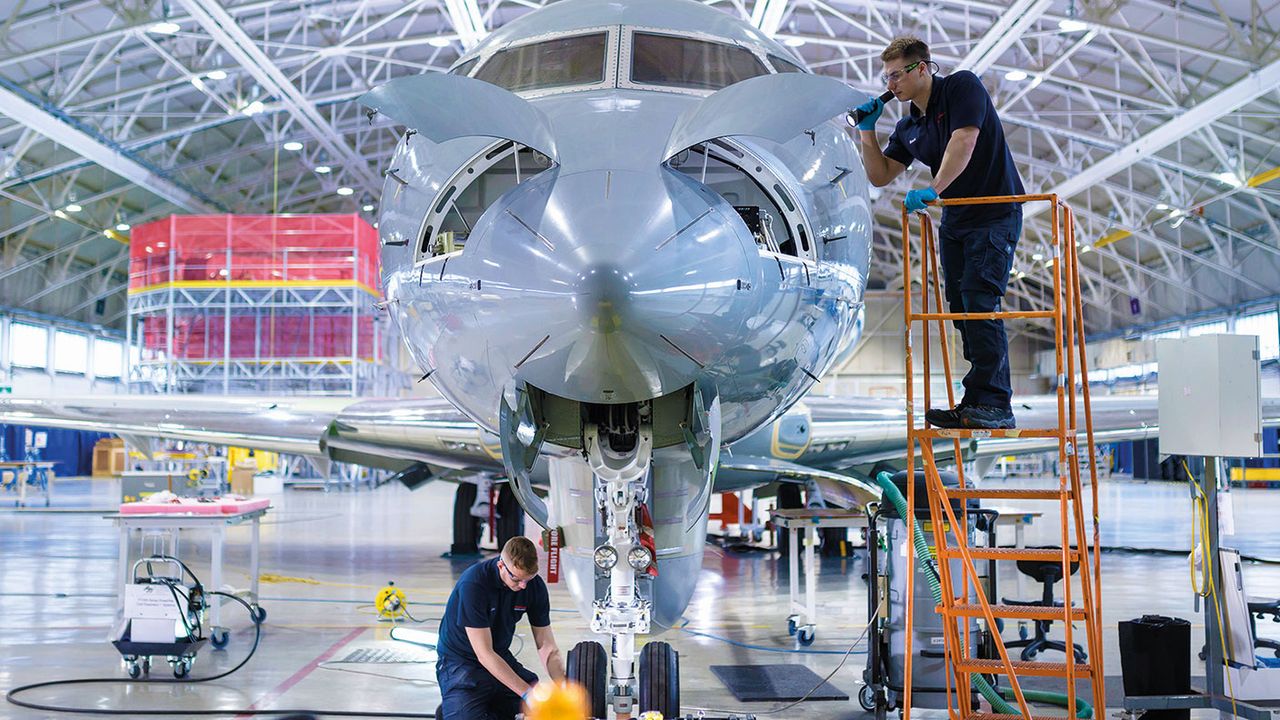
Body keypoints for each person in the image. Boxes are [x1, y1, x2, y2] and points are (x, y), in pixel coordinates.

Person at [851, 36, 1026, 429]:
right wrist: (867, 131)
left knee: (981, 301)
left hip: (994, 212)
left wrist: (934, 189)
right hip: (958, 221)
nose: (890, 83)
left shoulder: (963, 87)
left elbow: (965, 140)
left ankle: (997, 403)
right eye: (886, 76)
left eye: (897, 74)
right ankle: (976, 399)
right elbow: (879, 175)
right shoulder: (909, 125)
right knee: (962, 310)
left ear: (923, 67)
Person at [436, 536, 565, 720]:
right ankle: (456, 708)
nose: (523, 586)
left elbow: (546, 646)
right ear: (500, 566)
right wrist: (528, 694)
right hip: (461, 661)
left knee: (542, 709)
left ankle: (462, 709)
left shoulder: (533, 586)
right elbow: (484, 654)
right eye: (517, 579)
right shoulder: (474, 584)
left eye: (528, 579)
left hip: (499, 655)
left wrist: (565, 689)